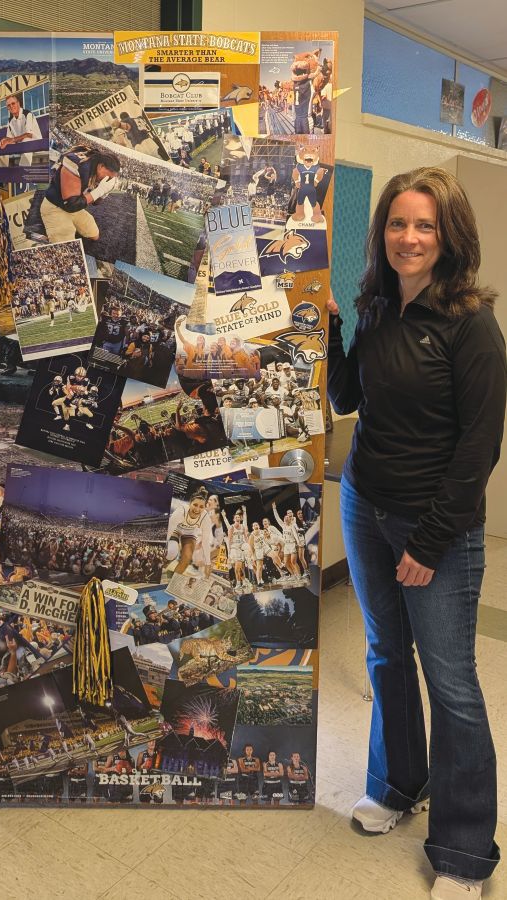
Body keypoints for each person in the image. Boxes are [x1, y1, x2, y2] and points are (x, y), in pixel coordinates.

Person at [327, 167, 506, 900]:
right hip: (363, 504)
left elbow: (479, 449)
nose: (408, 237)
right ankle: (398, 785)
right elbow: (347, 396)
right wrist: (328, 329)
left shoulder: (471, 324)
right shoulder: (377, 303)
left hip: (435, 526)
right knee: (384, 655)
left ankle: (464, 852)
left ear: (448, 236)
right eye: (397, 223)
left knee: (451, 683)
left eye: (424, 225)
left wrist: (427, 544)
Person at [40, 148, 120, 244]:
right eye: (109, 177)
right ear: (101, 166)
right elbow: (71, 204)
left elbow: (95, 202)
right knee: (65, 247)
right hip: (55, 207)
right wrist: (100, 190)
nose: (108, 180)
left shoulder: (95, 169)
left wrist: (104, 193)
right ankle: (47, 232)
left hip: (74, 209)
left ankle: (66, 226)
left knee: (94, 235)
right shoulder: (78, 166)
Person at [0, 92, 42, 167]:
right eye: (8, 105)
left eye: (13, 103)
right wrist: (5, 139)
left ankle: (22, 172)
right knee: (3, 144)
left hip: (37, 143)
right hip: (20, 144)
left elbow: (29, 135)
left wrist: (11, 140)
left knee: (26, 141)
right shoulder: (10, 120)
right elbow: (9, 137)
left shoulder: (27, 114)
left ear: (18, 103)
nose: (11, 106)